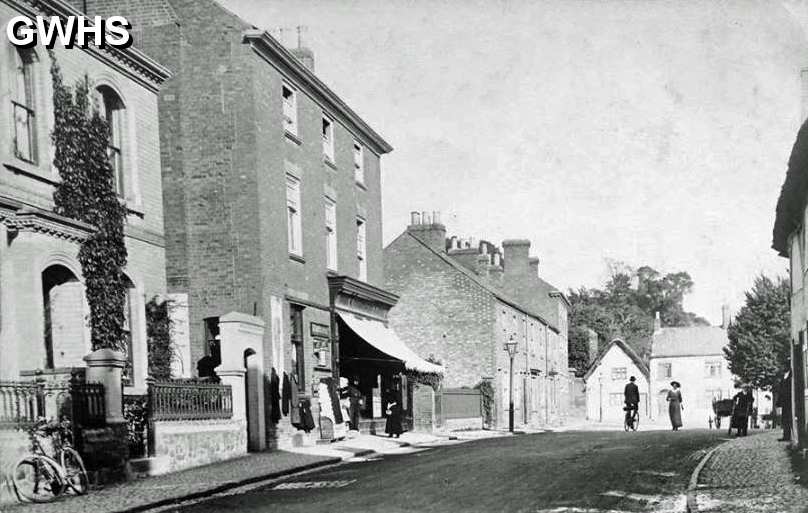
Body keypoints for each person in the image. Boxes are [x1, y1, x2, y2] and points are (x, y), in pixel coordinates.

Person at [777, 370, 792, 442]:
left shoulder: (791, 376)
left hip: (790, 401)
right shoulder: (783, 377)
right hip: (784, 402)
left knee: (789, 418)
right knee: (785, 419)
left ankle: (788, 436)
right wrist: (778, 402)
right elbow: (780, 390)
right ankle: (785, 436)